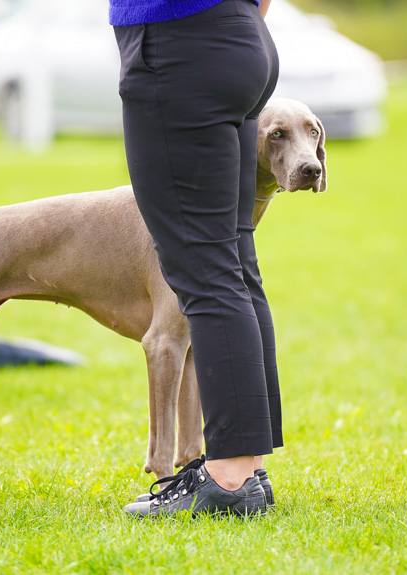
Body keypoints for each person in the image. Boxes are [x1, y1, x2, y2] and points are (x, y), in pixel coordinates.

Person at [111, 0, 282, 517]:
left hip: (180, 43)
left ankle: (229, 479)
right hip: (240, 36)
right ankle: (247, 469)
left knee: (205, 267)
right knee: (231, 259)